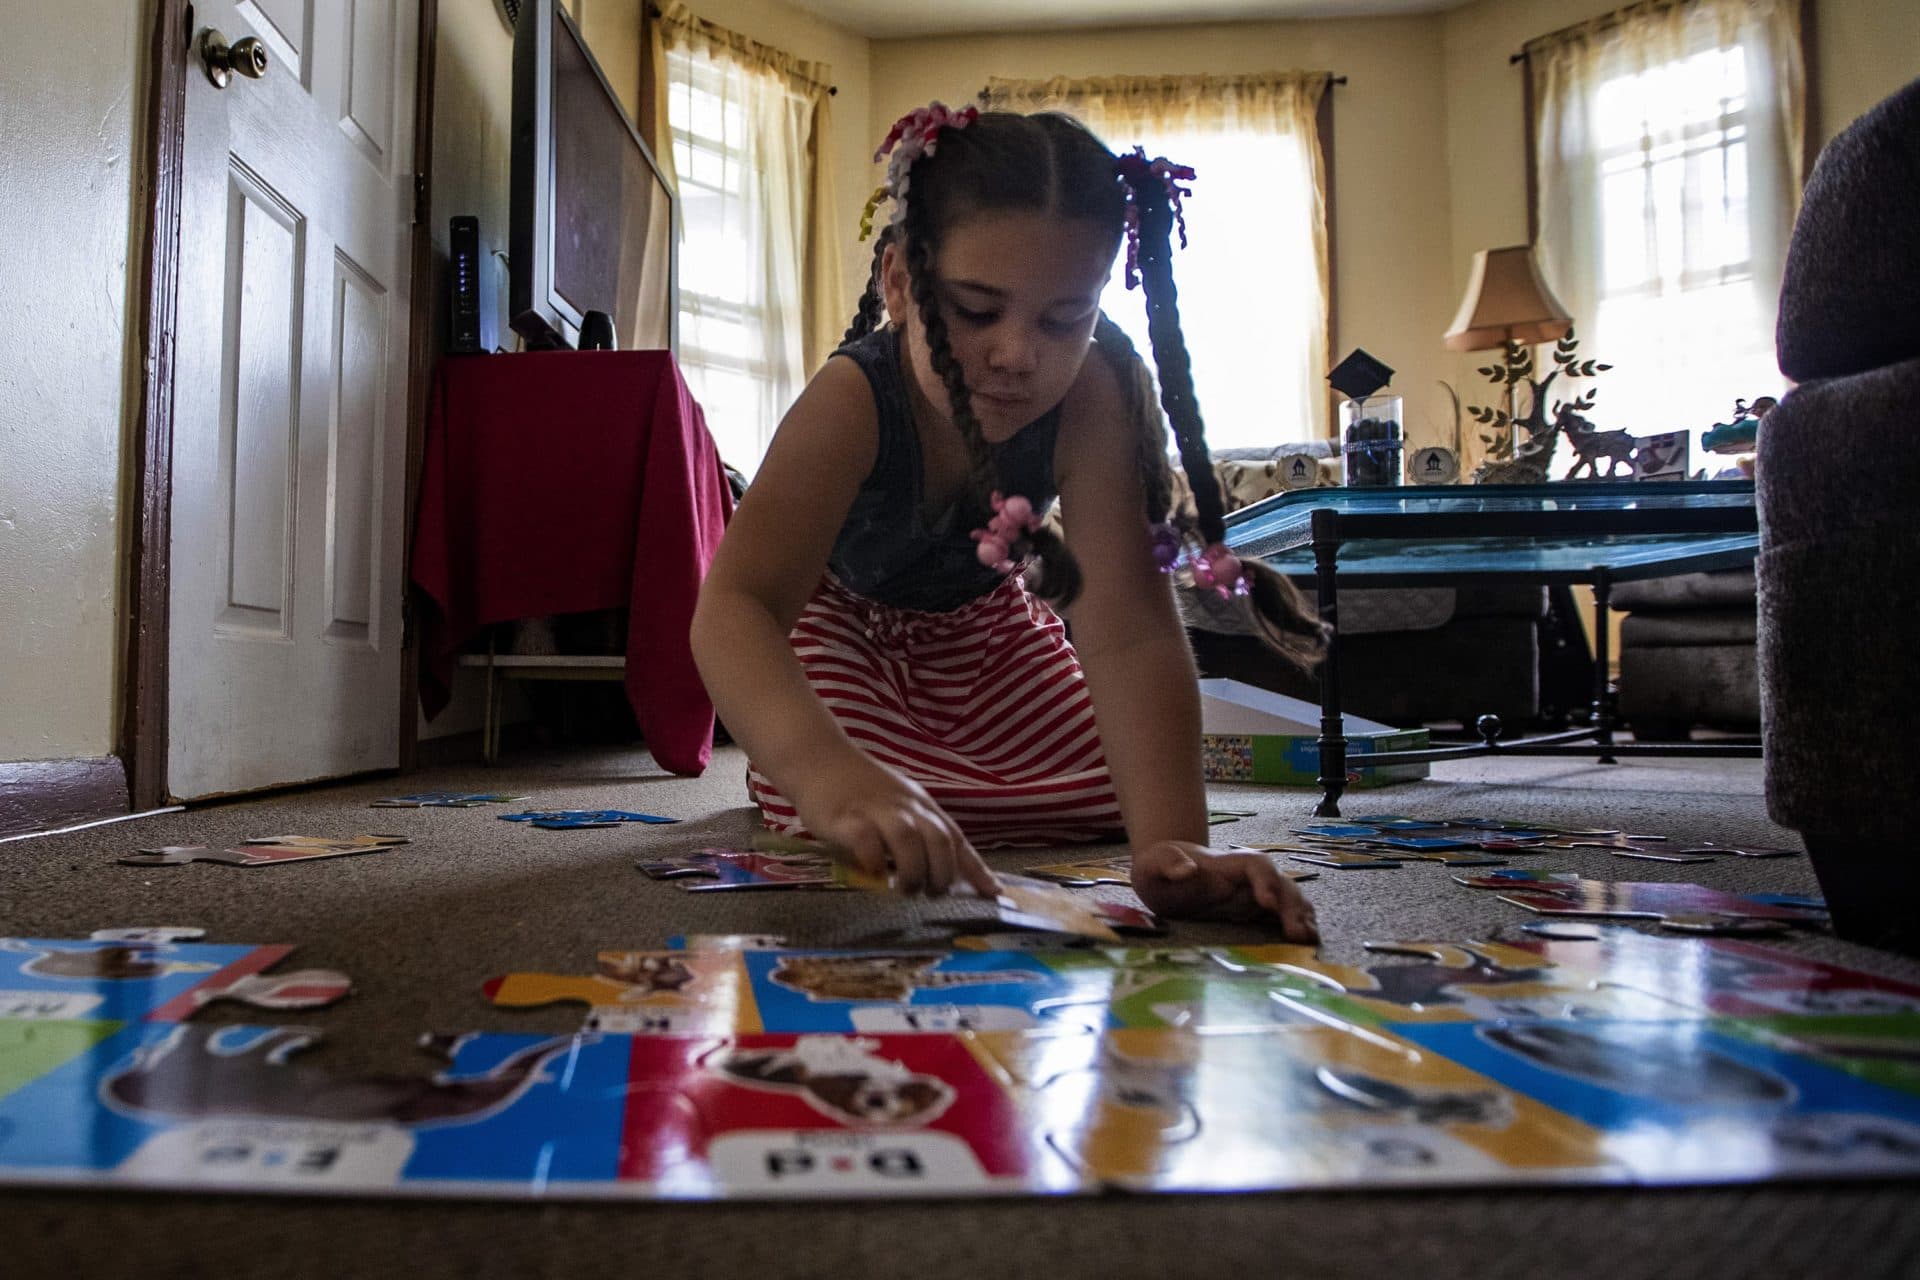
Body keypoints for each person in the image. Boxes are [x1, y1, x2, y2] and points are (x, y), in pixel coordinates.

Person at [689, 103, 1325, 940]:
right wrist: (827, 773)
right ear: (900, 284)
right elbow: (736, 609)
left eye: (1065, 319)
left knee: (1113, 785)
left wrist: (1172, 846)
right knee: (851, 809)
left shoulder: (1092, 395)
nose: (1020, 354)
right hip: (844, 636)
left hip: (988, 630)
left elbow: (1127, 630)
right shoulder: (851, 401)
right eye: (978, 310)